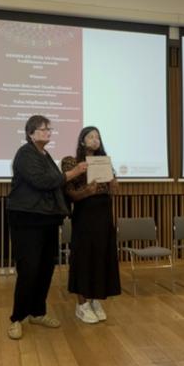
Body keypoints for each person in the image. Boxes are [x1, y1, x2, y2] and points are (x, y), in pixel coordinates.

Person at [6, 115, 88, 340]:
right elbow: (44, 181)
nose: (48, 133)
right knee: (29, 270)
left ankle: (37, 312)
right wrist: (74, 173)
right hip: (27, 220)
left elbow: (55, 181)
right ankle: (17, 318)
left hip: (48, 220)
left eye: (49, 129)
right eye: (42, 130)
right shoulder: (25, 154)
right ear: (30, 133)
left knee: (45, 269)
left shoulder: (46, 155)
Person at [60, 126, 121, 324]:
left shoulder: (105, 161)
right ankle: (82, 304)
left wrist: (114, 186)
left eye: (98, 137)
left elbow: (113, 192)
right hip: (85, 216)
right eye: (90, 136)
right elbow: (70, 193)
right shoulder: (71, 161)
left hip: (104, 216)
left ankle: (95, 300)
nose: (95, 140)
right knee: (84, 257)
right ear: (82, 141)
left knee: (101, 256)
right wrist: (88, 191)